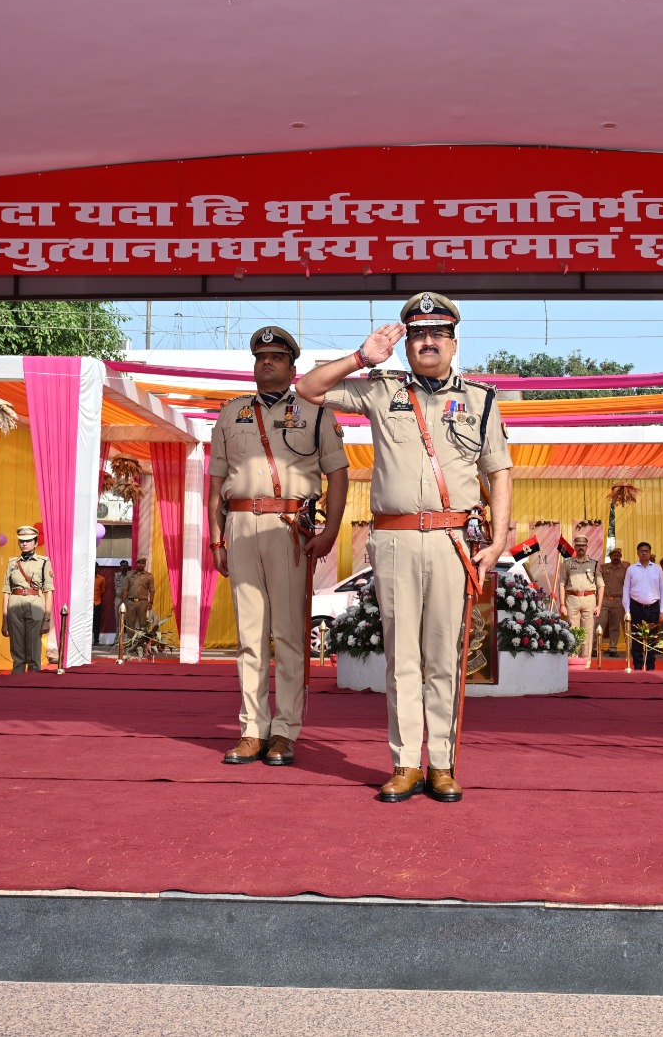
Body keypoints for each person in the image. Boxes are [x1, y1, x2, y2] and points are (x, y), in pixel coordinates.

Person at [298, 291, 511, 803]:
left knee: (442, 656)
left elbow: (498, 471)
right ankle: (405, 763)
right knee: (402, 660)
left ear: (454, 343)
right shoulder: (379, 389)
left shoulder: (480, 400)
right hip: (392, 538)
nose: (428, 342)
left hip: (451, 539)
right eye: (418, 335)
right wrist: (360, 357)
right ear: (408, 344)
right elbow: (307, 389)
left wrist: (499, 538)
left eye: (438, 334)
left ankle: (441, 764)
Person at [208, 325, 349, 767]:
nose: (266, 362)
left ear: (293, 366)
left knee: (288, 635)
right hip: (242, 525)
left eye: (276, 357)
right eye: (260, 356)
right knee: (250, 637)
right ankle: (253, 729)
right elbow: (216, 483)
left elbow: (338, 474)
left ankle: (285, 731)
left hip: (290, 526)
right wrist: (217, 538)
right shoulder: (231, 414)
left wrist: (331, 530)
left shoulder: (317, 411)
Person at [2, 526, 53, 673]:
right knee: (17, 649)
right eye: (21, 541)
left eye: (28, 541)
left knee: (33, 649)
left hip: (35, 603)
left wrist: (47, 619)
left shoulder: (43, 562)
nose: (24, 544)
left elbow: (49, 591)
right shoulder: (12, 563)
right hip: (15, 604)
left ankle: (33, 684)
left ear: (36, 543)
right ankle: (16, 684)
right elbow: (6, 591)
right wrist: (4, 621)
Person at [621, 541, 663, 672]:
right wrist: (627, 610)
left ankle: (651, 666)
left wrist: (662, 611)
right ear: (637, 553)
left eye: (647, 551)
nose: (644, 553)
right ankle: (637, 666)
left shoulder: (657, 569)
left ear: (650, 552)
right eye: (642, 551)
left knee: (652, 638)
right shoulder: (631, 569)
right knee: (636, 638)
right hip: (636, 607)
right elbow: (626, 590)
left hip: (653, 608)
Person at [557, 533, 603, 660]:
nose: (581, 547)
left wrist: (599, 605)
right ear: (575, 547)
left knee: (588, 632)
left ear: (587, 547)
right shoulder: (567, 564)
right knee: (573, 630)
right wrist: (562, 605)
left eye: (583, 545)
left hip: (589, 599)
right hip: (572, 599)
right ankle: (573, 658)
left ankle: (586, 661)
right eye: (578, 545)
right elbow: (561, 584)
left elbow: (600, 586)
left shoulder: (594, 564)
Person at [597, 548, 628, 659]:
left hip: (618, 601)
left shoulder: (625, 569)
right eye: (614, 555)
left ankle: (613, 648)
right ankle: (596, 648)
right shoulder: (603, 568)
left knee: (615, 626)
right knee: (600, 624)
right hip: (604, 600)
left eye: (618, 555)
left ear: (620, 557)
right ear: (610, 557)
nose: (616, 557)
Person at [123, 558, 154, 634]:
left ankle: (143, 643)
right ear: (136, 564)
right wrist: (123, 602)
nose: (141, 565)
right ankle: (131, 642)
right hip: (131, 602)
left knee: (143, 623)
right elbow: (125, 589)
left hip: (143, 602)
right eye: (139, 563)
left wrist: (151, 602)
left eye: (143, 563)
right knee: (130, 623)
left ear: (145, 565)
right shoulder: (129, 575)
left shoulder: (149, 576)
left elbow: (152, 590)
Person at [93, 567, 109, 642]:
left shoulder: (101, 579)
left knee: (96, 622)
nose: (95, 569)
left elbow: (102, 591)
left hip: (97, 603)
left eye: (96, 568)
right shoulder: (87, 577)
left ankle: (96, 640)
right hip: (87, 604)